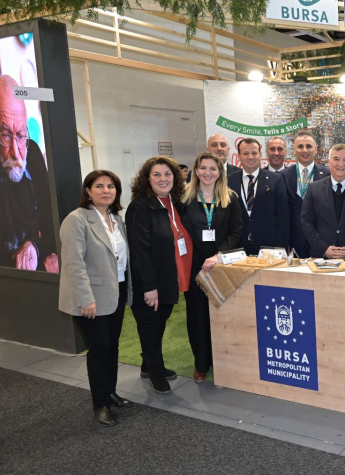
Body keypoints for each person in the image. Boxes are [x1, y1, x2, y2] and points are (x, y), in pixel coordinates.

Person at [58, 170, 132, 426]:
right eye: (99, 186)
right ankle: (100, 404)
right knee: (99, 348)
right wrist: (85, 299)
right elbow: (74, 263)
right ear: (88, 191)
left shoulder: (115, 218)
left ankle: (110, 392)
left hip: (116, 290)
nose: (106, 191)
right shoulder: (76, 219)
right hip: (91, 297)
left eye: (110, 186)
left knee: (112, 345)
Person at [126, 157, 192, 395]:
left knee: (159, 324)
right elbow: (139, 250)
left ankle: (148, 364)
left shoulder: (173, 204)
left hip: (169, 279)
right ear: (147, 179)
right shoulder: (140, 206)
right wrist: (149, 286)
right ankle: (156, 374)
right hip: (150, 282)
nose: (163, 179)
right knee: (150, 327)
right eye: (156, 174)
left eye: (167, 174)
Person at [180, 152, 243, 383]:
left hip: (220, 264)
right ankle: (201, 364)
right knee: (197, 315)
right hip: (193, 265)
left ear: (220, 172)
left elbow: (237, 231)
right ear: (196, 170)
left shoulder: (230, 197)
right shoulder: (184, 198)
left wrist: (218, 255)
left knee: (221, 314)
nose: (208, 173)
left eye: (213, 169)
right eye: (203, 168)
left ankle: (221, 362)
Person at [0, 75, 57, 272]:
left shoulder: (31, 153)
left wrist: (35, 246)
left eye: (20, 135)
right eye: (5, 135)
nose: (16, 153)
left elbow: (52, 224)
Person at [228, 138, 289, 255]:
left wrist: (280, 248)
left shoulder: (275, 179)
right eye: (245, 153)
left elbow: (283, 217)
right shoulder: (230, 180)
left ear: (261, 155)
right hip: (238, 246)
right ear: (239, 156)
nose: (250, 157)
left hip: (269, 246)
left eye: (254, 153)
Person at [280, 131, 330, 257]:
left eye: (308, 146)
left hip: (321, 241)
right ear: (294, 150)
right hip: (293, 241)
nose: (304, 150)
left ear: (316, 149)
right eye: (300, 146)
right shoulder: (282, 176)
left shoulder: (328, 175)